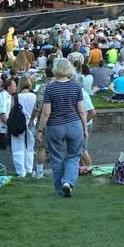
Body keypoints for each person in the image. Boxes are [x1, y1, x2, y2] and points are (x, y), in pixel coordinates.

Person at [36, 58, 89, 197]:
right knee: (74, 155)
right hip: (74, 124)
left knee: (56, 157)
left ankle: (60, 188)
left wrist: (40, 130)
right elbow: (82, 110)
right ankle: (68, 182)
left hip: (55, 126)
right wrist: (85, 128)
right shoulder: (76, 86)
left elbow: (46, 112)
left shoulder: (50, 88)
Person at [10, 76, 37, 178]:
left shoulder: (16, 97)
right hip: (31, 123)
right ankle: (29, 169)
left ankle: (21, 171)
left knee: (17, 148)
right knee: (30, 147)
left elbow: (11, 113)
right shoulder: (34, 96)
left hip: (18, 124)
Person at [0, 78, 17, 150]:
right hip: (0, 130)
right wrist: (10, 125)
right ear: (8, 88)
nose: (16, 88)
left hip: (4, 129)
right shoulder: (3, 97)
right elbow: (2, 114)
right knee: (2, 153)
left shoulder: (8, 96)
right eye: (14, 86)